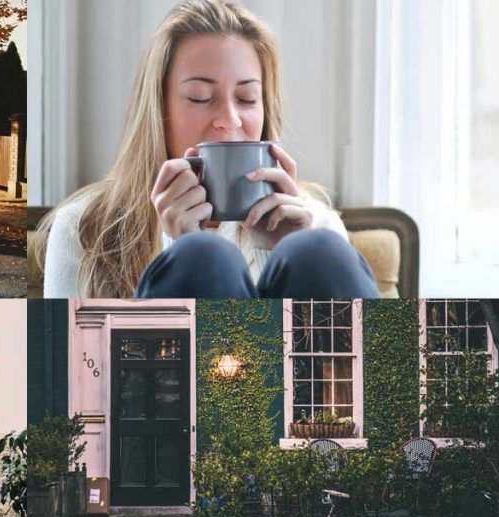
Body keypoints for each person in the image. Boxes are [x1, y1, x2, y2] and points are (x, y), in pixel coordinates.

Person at [36, 0, 379, 300]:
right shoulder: (83, 228)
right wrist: (179, 246)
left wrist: (278, 253)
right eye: (200, 97)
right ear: (159, 109)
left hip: (295, 374)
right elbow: (69, 368)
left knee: (319, 250)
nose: (229, 120)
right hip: (173, 371)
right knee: (203, 256)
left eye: (246, 99)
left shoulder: (315, 223)